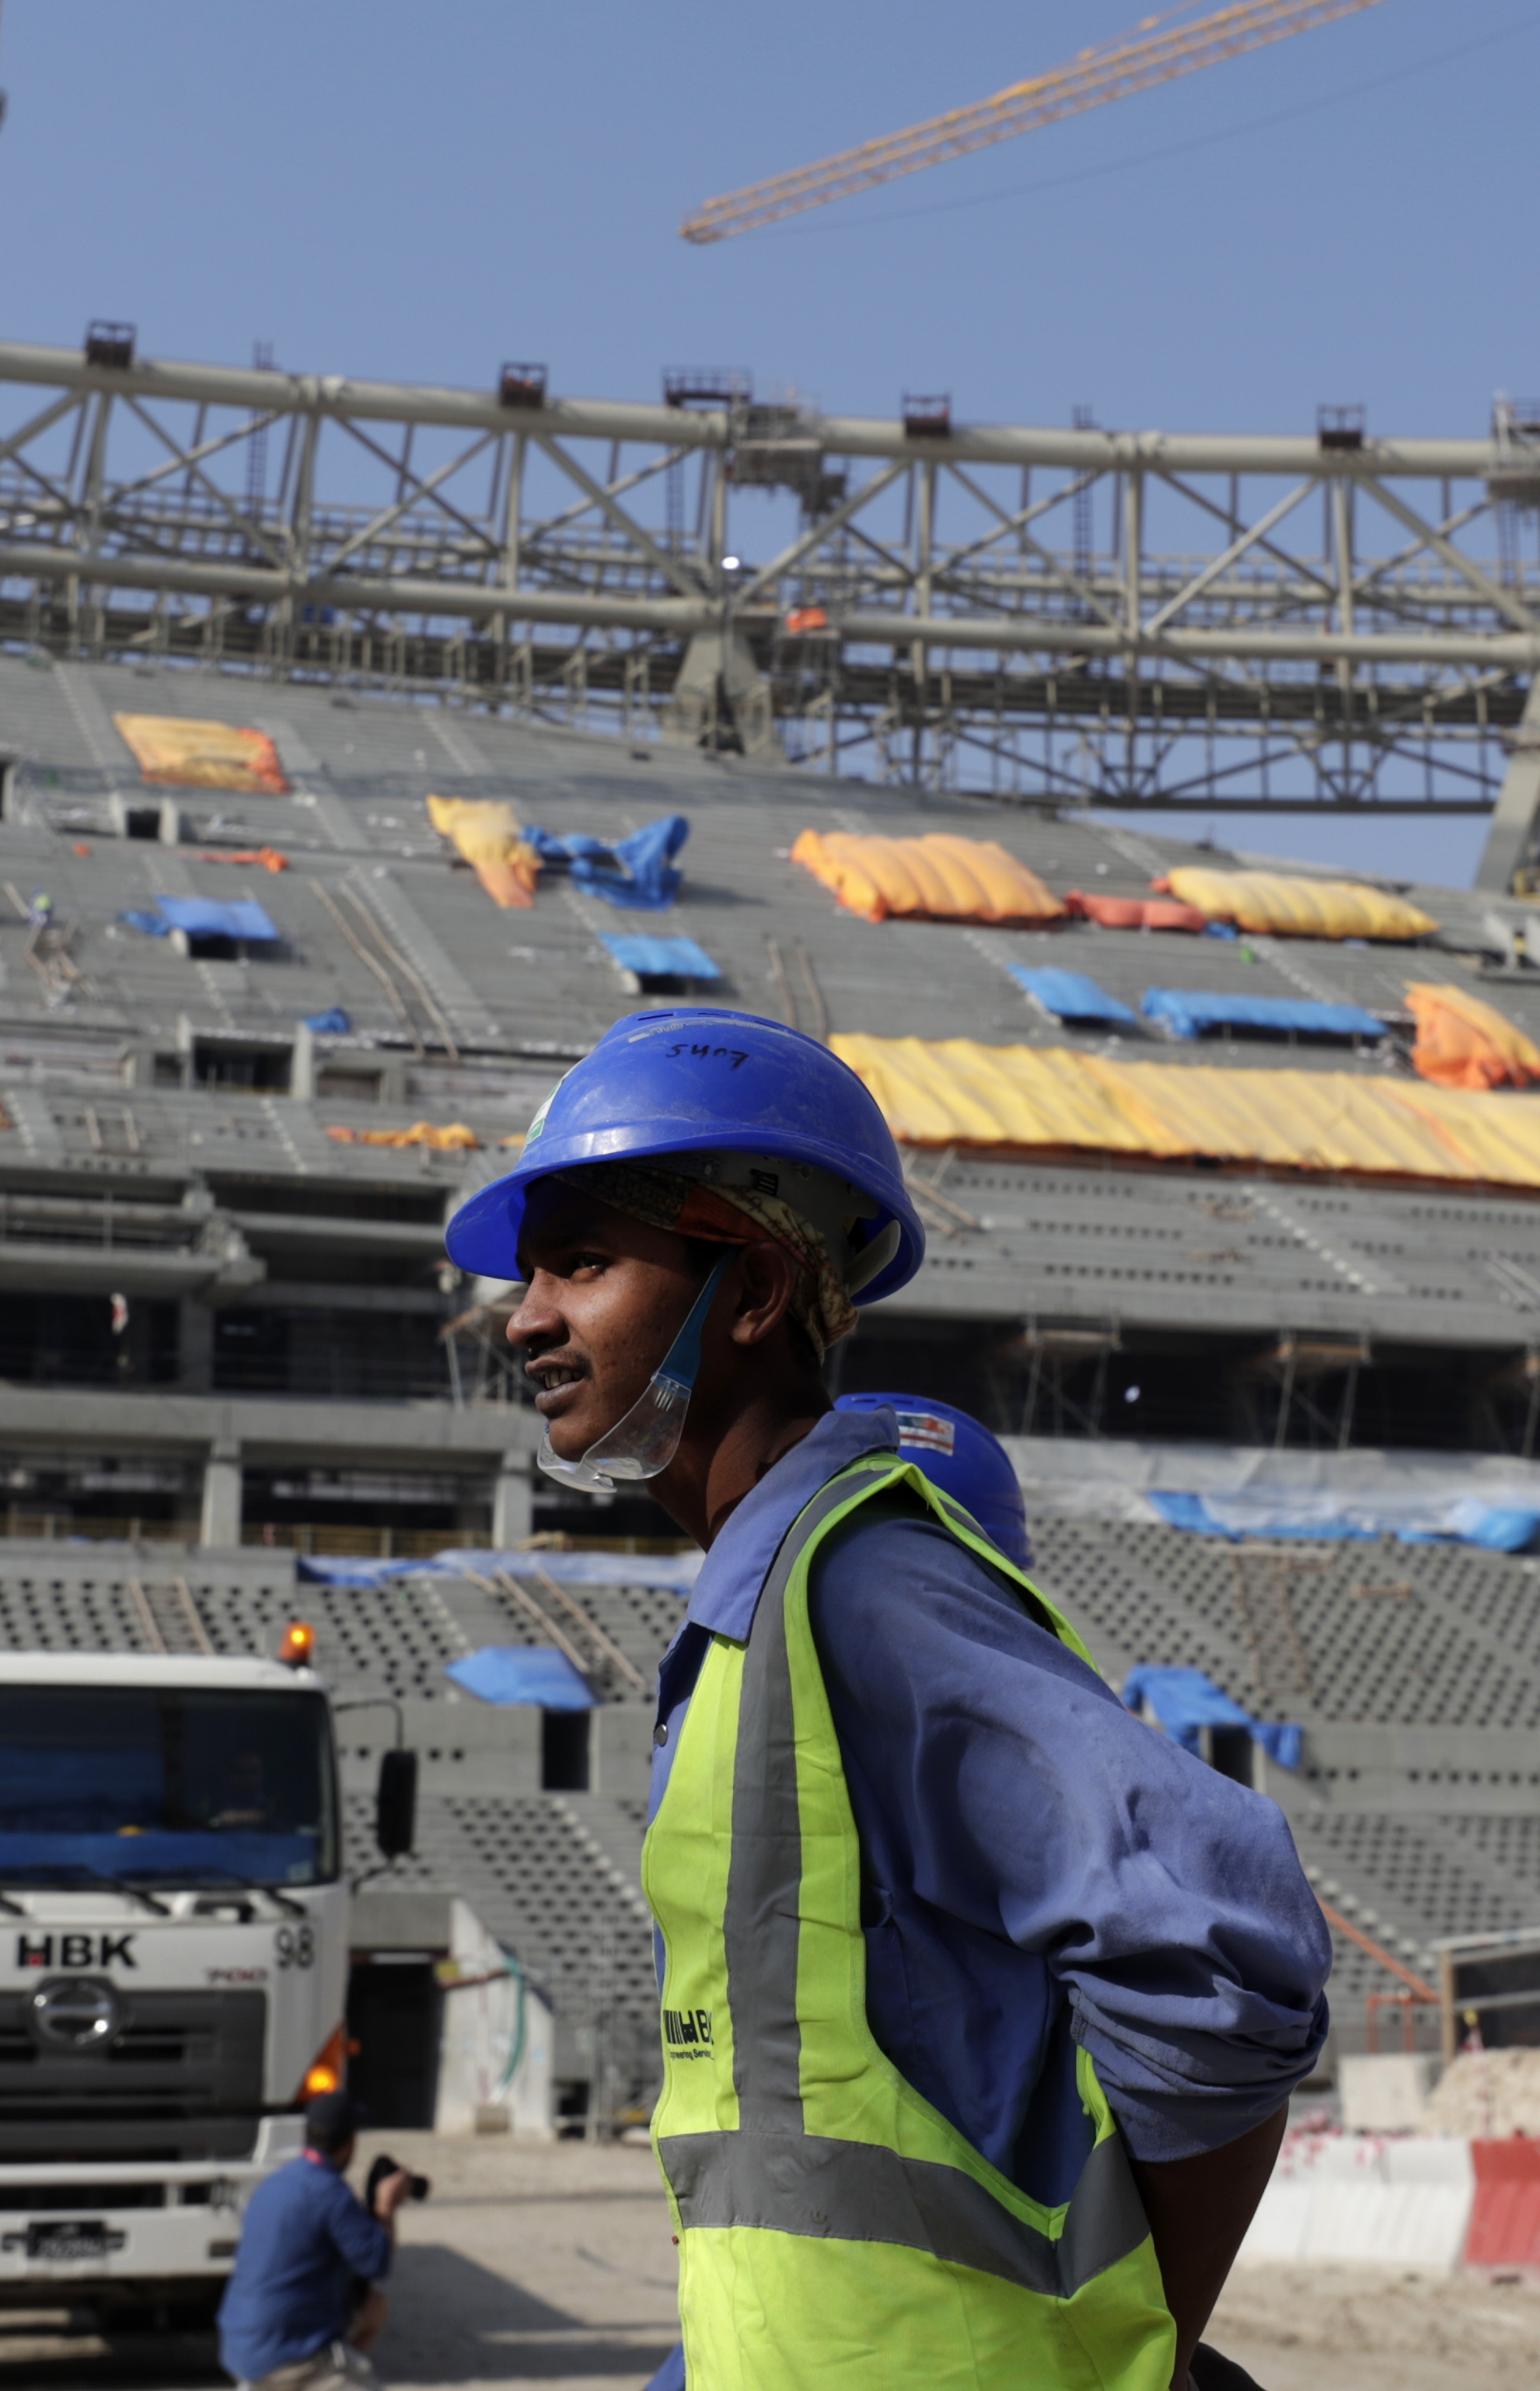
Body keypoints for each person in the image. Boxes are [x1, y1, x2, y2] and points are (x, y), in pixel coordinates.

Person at [447, 1007, 1330, 2391]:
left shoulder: (860, 1585)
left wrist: (1143, 2340)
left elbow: (1225, 1937)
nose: (526, 1314)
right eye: (530, 1272)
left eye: (582, 1261)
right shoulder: (764, 1606)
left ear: (746, 1296)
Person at [218, 2099, 413, 2389]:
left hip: (239, 2345)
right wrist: (385, 2207)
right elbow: (378, 2263)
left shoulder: (275, 2183)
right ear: (350, 2143)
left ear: (304, 2135)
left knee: (374, 2307)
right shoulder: (331, 2193)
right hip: (287, 2358)